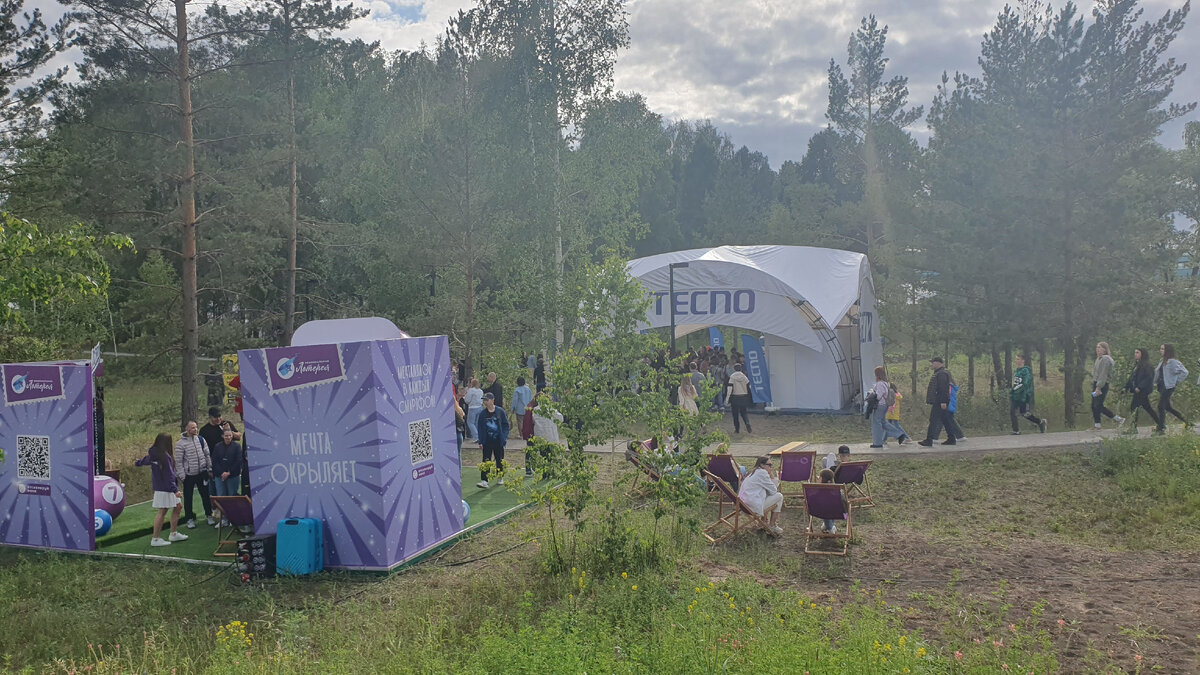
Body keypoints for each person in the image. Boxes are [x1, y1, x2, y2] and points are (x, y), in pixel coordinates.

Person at [135, 432, 187, 547]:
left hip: (162, 487)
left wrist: (138, 463)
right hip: (166, 488)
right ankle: (156, 538)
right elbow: (169, 475)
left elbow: (145, 460)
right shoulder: (165, 456)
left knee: (178, 507)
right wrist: (175, 490)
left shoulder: (154, 453)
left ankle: (173, 533)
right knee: (162, 511)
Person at [174, 421, 215, 529]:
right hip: (189, 475)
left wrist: (209, 468)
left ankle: (209, 515)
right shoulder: (180, 444)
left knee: (205, 495)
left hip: (202, 472)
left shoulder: (201, 440)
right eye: (193, 428)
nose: (195, 429)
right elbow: (178, 461)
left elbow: (207, 454)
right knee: (188, 498)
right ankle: (189, 519)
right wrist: (182, 476)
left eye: (196, 427)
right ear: (187, 430)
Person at [737, 456, 783, 536]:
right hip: (752, 506)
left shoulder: (754, 472)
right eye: (769, 465)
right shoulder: (762, 473)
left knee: (767, 495)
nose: (771, 467)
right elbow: (773, 491)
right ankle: (772, 526)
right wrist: (772, 476)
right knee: (779, 496)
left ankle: (764, 521)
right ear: (762, 465)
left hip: (744, 504)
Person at [918, 357, 956, 446]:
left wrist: (943, 401)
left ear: (938, 363)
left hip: (939, 401)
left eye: (933, 363)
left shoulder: (941, 374)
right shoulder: (939, 373)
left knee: (933, 419)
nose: (932, 364)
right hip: (939, 400)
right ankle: (951, 438)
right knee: (945, 419)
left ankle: (929, 440)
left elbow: (943, 389)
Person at [476, 392, 510, 489]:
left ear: (492, 400)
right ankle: (484, 480)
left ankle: (500, 477)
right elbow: (480, 428)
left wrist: (504, 436)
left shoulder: (500, 411)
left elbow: (505, 425)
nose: (485, 402)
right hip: (487, 440)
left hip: (498, 440)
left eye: (487, 400)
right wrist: (480, 441)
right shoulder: (482, 414)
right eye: (484, 400)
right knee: (486, 460)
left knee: (499, 459)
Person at [1154, 343, 1191, 433]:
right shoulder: (1162, 361)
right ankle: (1186, 422)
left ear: (1168, 351)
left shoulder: (1173, 361)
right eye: (1161, 348)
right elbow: (1158, 373)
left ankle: (1161, 427)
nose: (1161, 350)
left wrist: (1176, 381)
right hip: (1162, 386)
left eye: (1163, 349)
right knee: (1167, 407)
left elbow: (1185, 372)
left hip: (1169, 386)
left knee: (1160, 406)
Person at [1009, 354, 1047, 435]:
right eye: (1016, 359)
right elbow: (1015, 383)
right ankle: (1016, 430)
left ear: (1023, 360)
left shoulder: (1026, 371)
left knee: (1024, 414)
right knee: (1012, 412)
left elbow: (1025, 383)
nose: (1017, 361)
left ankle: (1040, 422)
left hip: (1023, 396)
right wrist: (1012, 390)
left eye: (1018, 359)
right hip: (1015, 396)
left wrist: (1017, 390)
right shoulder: (1016, 371)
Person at [1124, 348, 1161, 430]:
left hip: (1142, 391)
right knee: (1147, 408)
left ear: (1142, 354)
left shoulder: (1147, 365)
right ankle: (1161, 424)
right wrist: (1126, 387)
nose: (1135, 354)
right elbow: (1132, 378)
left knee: (1134, 407)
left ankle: (1133, 428)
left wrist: (1140, 387)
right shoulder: (1137, 365)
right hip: (1137, 390)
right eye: (1135, 352)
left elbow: (1148, 378)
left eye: (1137, 352)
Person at [1091, 342, 1124, 429]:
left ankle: (1117, 419)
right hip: (1096, 382)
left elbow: (1103, 374)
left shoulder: (1106, 359)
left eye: (1099, 347)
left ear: (1104, 349)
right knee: (1094, 405)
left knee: (1098, 404)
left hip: (1102, 384)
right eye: (1097, 347)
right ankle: (1097, 424)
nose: (1097, 349)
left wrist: (1098, 387)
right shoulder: (1099, 359)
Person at [210, 428, 242, 505]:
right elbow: (214, 461)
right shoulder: (217, 446)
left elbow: (238, 461)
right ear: (222, 436)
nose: (228, 437)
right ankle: (223, 515)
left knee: (232, 496)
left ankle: (233, 515)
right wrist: (222, 473)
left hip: (233, 476)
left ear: (232, 436)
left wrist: (228, 472)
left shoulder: (237, 446)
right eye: (226, 436)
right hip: (219, 476)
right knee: (221, 496)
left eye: (230, 435)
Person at [817, 468, 849, 534]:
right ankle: (827, 526)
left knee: (825, 508)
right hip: (839, 513)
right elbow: (844, 505)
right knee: (830, 508)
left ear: (820, 479)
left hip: (818, 512)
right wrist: (846, 516)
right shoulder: (838, 492)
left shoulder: (817, 492)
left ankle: (830, 527)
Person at [867, 366, 891, 448]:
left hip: (880, 405)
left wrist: (872, 393)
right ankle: (897, 434)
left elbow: (878, 396)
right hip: (885, 405)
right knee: (883, 422)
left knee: (876, 424)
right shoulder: (886, 383)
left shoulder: (880, 383)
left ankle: (877, 443)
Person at [725, 364, 753, 434]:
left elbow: (729, 389)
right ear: (741, 369)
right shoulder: (744, 377)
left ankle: (737, 429)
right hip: (744, 396)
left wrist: (727, 399)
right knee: (744, 412)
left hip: (735, 397)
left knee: (735, 414)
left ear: (734, 369)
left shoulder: (732, 377)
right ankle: (747, 423)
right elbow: (749, 387)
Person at [464, 377, 484, 442]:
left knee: (470, 422)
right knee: (477, 423)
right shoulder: (481, 391)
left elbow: (467, 400)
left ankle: (476, 437)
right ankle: (480, 436)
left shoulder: (471, 390)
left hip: (472, 408)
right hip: (480, 407)